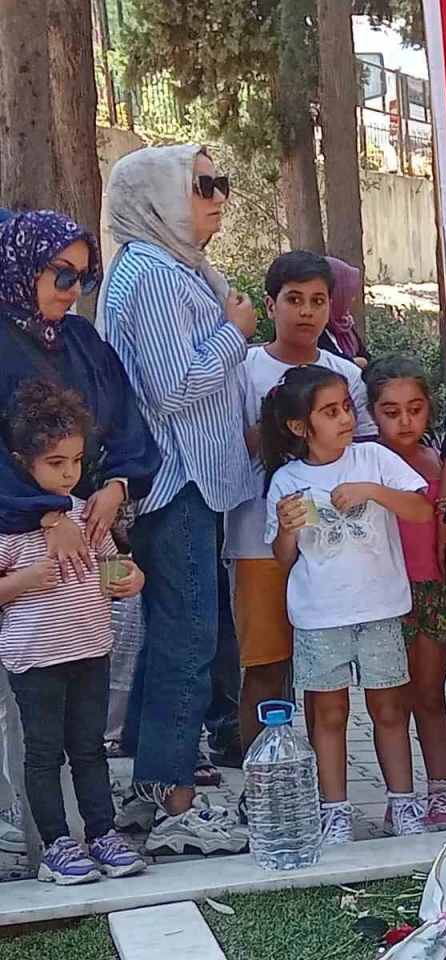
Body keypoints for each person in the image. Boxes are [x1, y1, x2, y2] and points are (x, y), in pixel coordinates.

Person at [98, 144, 255, 854]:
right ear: (159, 198)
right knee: (187, 643)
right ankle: (172, 803)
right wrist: (235, 335)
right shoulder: (157, 276)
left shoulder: (170, 265)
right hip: (177, 481)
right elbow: (173, 388)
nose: (218, 197)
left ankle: (150, 787)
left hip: (187, 481)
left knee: (179, 637)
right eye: (202, 185)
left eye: (221, 182)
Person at [0, 208, 161, 854]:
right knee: (31, 725)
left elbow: (126, 423)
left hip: (84, 543)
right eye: (60, 275)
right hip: (18, 543)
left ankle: (94, 834)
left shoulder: (84, 343)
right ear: (20, 269)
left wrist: (116, 485)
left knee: (84, 728)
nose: (73, 292)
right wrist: (42, 512)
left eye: (84, 279)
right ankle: (42, 841)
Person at [263, 364, 433, 843]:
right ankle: (334, 810)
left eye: (345, 408)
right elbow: (282, 557)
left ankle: (403, 803)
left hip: (380, 608)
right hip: (320, 615)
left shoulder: (373, 458)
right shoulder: (287, 480)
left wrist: (373, 491)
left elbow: (421, 509)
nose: (344, 419)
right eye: (330, 412)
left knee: (390, 709)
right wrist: (287, 528)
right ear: (300, 426)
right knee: (329, 714)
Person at [223, 251, 377, 760]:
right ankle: (262, 778)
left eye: (318, 300)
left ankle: (321, 782)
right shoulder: (243, 369)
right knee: (265, 665)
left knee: (321, 670)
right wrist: (276, 427)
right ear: (270, 305)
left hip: (331, 543)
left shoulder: (344, 375)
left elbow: (364, 453)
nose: (307, 312)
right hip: (258, 539)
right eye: (294, 300)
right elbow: (226, 449)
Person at [0, 380, 148, 885]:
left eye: (77, 461)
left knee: (89, 749)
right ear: (23, 463)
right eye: (55, 463)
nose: (69, 474)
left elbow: (112, 566)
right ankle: (56, 846)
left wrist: (131, 579)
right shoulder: (10, 525)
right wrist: (25, 580)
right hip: (35, 659)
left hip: (90, 650)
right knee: (44, 754)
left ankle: (103, 834)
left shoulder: (87, 514)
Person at [364, 355, 446, 832]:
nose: (405, 421)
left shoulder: (439, 466)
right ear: (371, 411)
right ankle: (399, 797)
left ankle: (440, 791)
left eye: (415, 409)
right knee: (391, 702)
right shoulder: (364, 464)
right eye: (391, 411)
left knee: (430, 694)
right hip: (384, 596)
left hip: (431, 592)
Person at [319, 256, 371, 369]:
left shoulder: (344, 323)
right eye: (348, 293)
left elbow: (366, 358)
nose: (353, 299)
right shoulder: (314, 330)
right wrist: (355, 362)